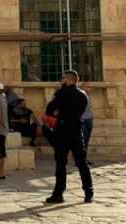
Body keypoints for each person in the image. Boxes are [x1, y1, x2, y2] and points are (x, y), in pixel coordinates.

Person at [45, 70, 94, 204]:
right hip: (77, 131)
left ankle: (58, 193)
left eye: (63, 78)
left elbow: (49, 110)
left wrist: (58, 112)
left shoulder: (61, 93)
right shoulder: (83, 95)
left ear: (68, 79)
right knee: (82, 163)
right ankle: (89, 192)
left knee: (61, 163)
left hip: (63, 131)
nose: (61, 80)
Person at [80, 84, 94, 154]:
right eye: (88, 87)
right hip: (83, 120)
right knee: (83, 139)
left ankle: (84, 158)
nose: (90, 88)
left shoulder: (89, 96)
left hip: (89, 119)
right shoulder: (80, 97)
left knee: (87, 139)